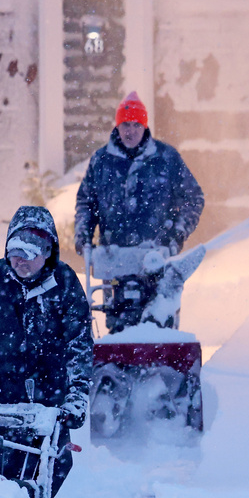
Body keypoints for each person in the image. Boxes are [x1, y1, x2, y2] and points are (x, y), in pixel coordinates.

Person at [0, 205, 93, 498]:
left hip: (48, 403)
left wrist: (76, 397)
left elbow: (78, 345)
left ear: (47, 252)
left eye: (30, 252)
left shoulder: (65, 284)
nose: (20, 259)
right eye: (14, 249)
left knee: (52, 467)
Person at [74, 91, 205, 331]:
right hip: (115, 259)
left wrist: (176, 235)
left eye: (136, 124)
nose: (130, 130)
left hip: (157, 258)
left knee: (159, 325)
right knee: (119, 329)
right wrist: (83, 235)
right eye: (125, 124)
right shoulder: (101, 161)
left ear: (145, 126)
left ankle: (160, 367)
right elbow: (86, 202)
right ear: (117, 126)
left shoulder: (166, 159)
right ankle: (117, 365)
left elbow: (193, 198)